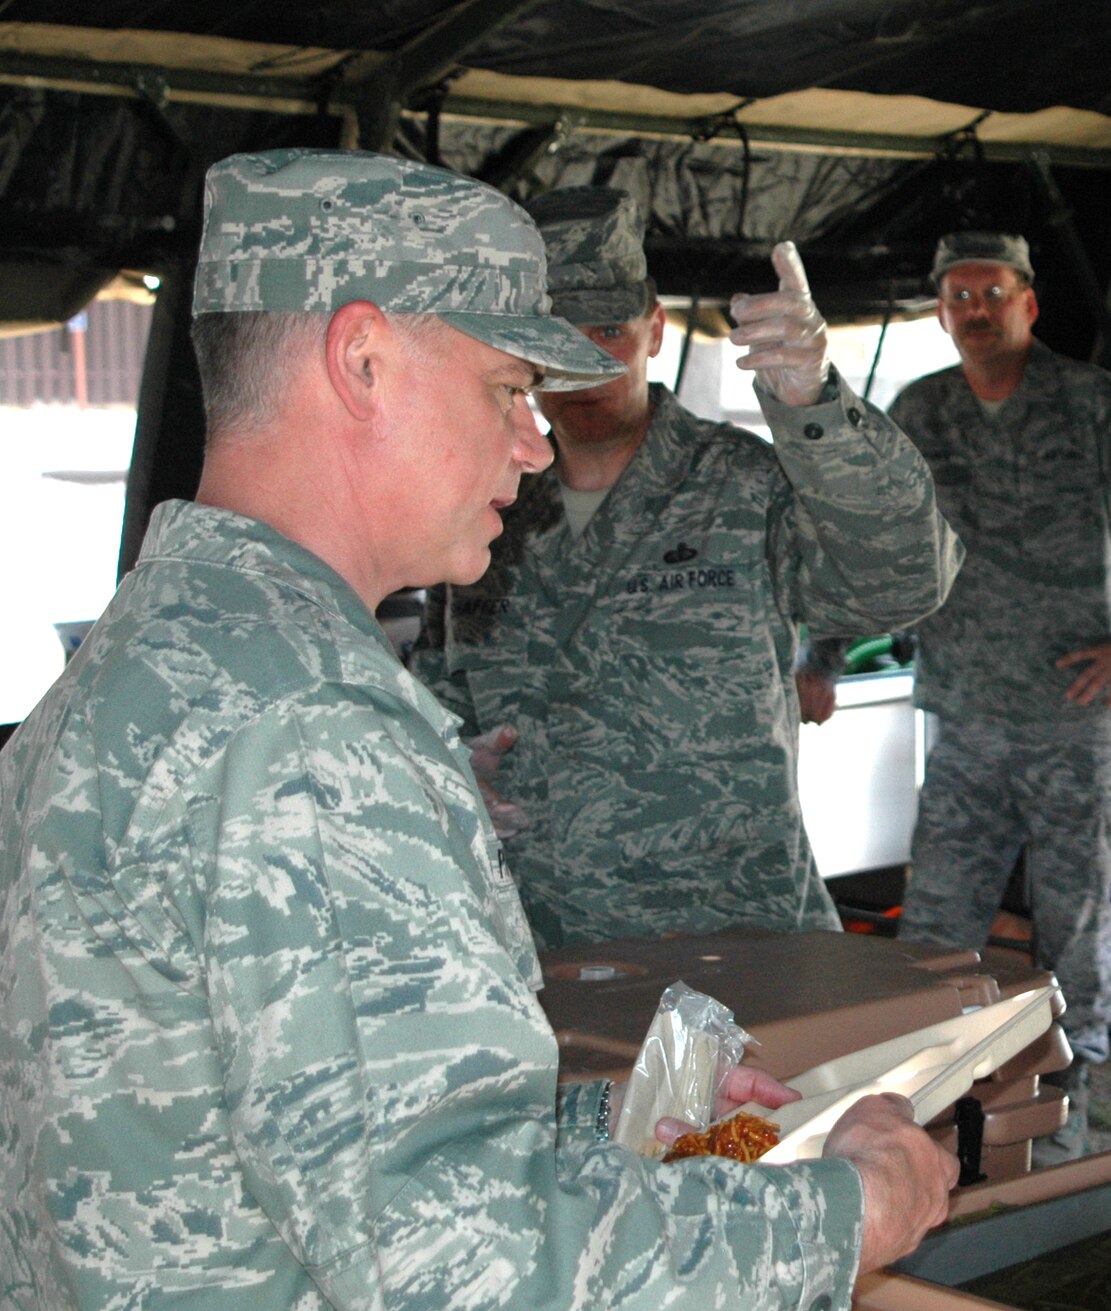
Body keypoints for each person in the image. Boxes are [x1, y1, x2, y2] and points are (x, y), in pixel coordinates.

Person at [0, 148, 956, 1310]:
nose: (534, 437)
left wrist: (593, 1124)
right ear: (361, 361)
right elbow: (459, 1262)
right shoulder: (312, 730)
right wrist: (843, 1212)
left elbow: (288, 1118)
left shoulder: (158, 652)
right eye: (506, 389)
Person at [412, 186, 961, 947]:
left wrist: (815, 408)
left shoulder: (745, 482)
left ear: (655, 330)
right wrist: (443, 763)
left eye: (608, 328)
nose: (585, 361)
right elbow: (439, 685)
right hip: (539, 944)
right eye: (559, 333)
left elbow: (904, 582)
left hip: (731, 934)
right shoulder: (486, 509)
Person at [890, 232, 1111, 1160]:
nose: (974, 311)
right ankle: (918, 1095)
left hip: (1078, 725)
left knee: (1074, 923)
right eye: (957, 296)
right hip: (965, 720)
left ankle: (1067, 1097)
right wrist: (826, 653)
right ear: (941, 312)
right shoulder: (920, 410)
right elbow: (881, 535)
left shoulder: (1088, 404)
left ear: (1029, 304)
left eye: (992, 293)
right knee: (935, 926)